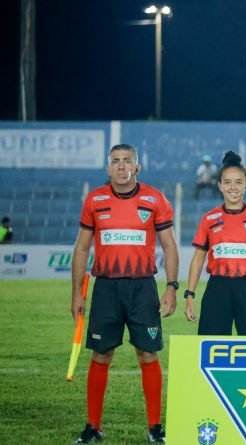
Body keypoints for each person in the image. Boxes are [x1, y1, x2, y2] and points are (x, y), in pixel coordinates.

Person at [71, 144, 178, 443]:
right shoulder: (94, 200)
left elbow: (169, 245)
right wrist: (77, 293)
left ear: (137, 167)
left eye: (127, 161)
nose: (121, 166)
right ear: (108, 168)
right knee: (101, 354)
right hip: (106, 288)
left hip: (142, 288)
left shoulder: (155, 199)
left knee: (148, 353)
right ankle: (93, 427)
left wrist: (171, 287)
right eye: (116, 161)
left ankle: (155, 428)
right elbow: (82, 247)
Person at [184, 151, 246, 334]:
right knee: (212, 347)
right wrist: (189, 295)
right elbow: (198, 259)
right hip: (217, 290)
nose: (233, 187)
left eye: (238, 182)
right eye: (227, 182)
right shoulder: (209, 219)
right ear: (220, 186)